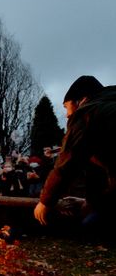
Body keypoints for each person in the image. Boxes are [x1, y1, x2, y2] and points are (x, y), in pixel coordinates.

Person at [34, 75, 116, 239]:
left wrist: (45, 202)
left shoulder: (87, 113)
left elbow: (67, 163)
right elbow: (101, 170)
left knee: (91, 228)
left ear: (82, 100)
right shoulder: (108, 111)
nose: (66, 115)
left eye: (66, 106)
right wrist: (91, 202)